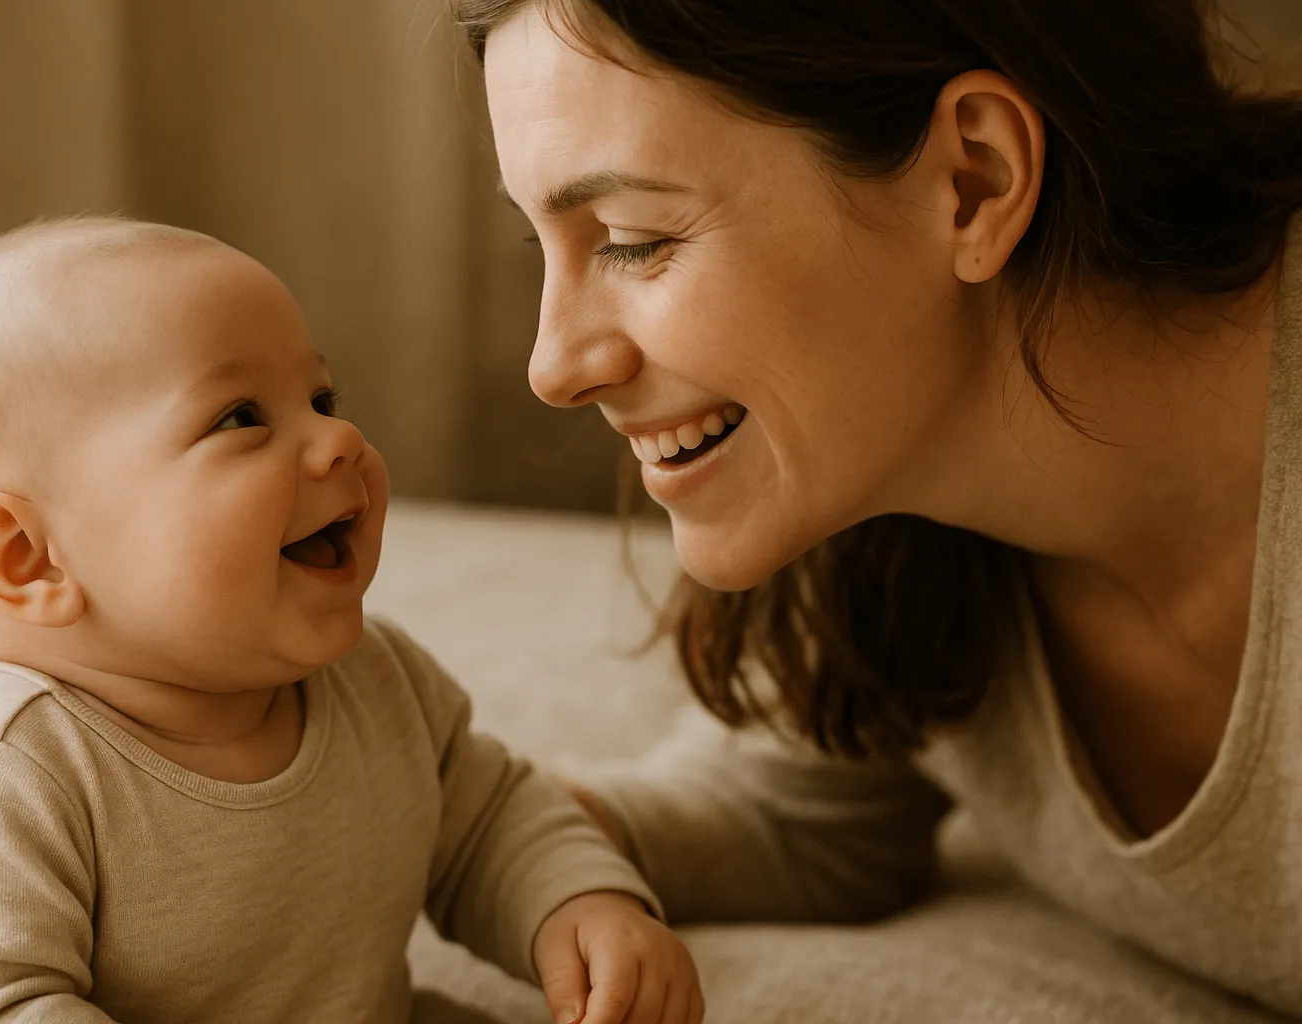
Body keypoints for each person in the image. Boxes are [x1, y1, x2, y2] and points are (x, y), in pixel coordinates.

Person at [454, 0, 1302, 1016]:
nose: (554, 366)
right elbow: (800, 810)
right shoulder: (892, 508)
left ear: (972, 181)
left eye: (634, 239)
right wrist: (446, 826)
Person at [0, 217, 703, 1024]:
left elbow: (488, 820)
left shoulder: (376, 680)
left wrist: (581, 904)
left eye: (321, 399)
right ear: (29, 557)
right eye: (240, 418)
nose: (340, 441)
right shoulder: (0, 782)